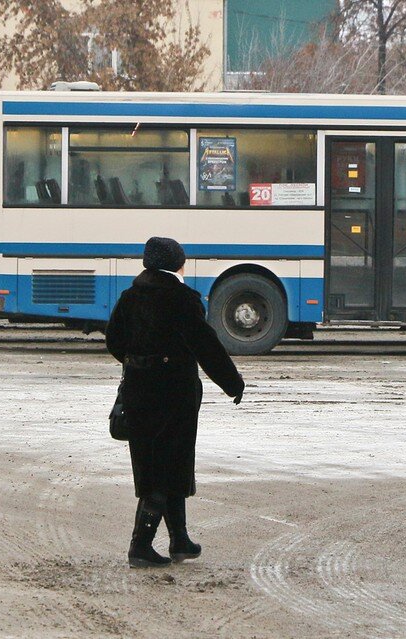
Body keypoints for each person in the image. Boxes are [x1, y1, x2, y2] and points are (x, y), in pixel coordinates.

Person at [105, 236, 245, 568]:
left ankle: (180, 541)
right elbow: (206, 345)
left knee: (155, 465)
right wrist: (232, 383)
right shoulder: (182, 299)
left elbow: (114, 340)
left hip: (138, 393)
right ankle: (140, 547)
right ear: (177, 263)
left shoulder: (130, 297)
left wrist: (139, 360)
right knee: (168, 467)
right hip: (174, 396)